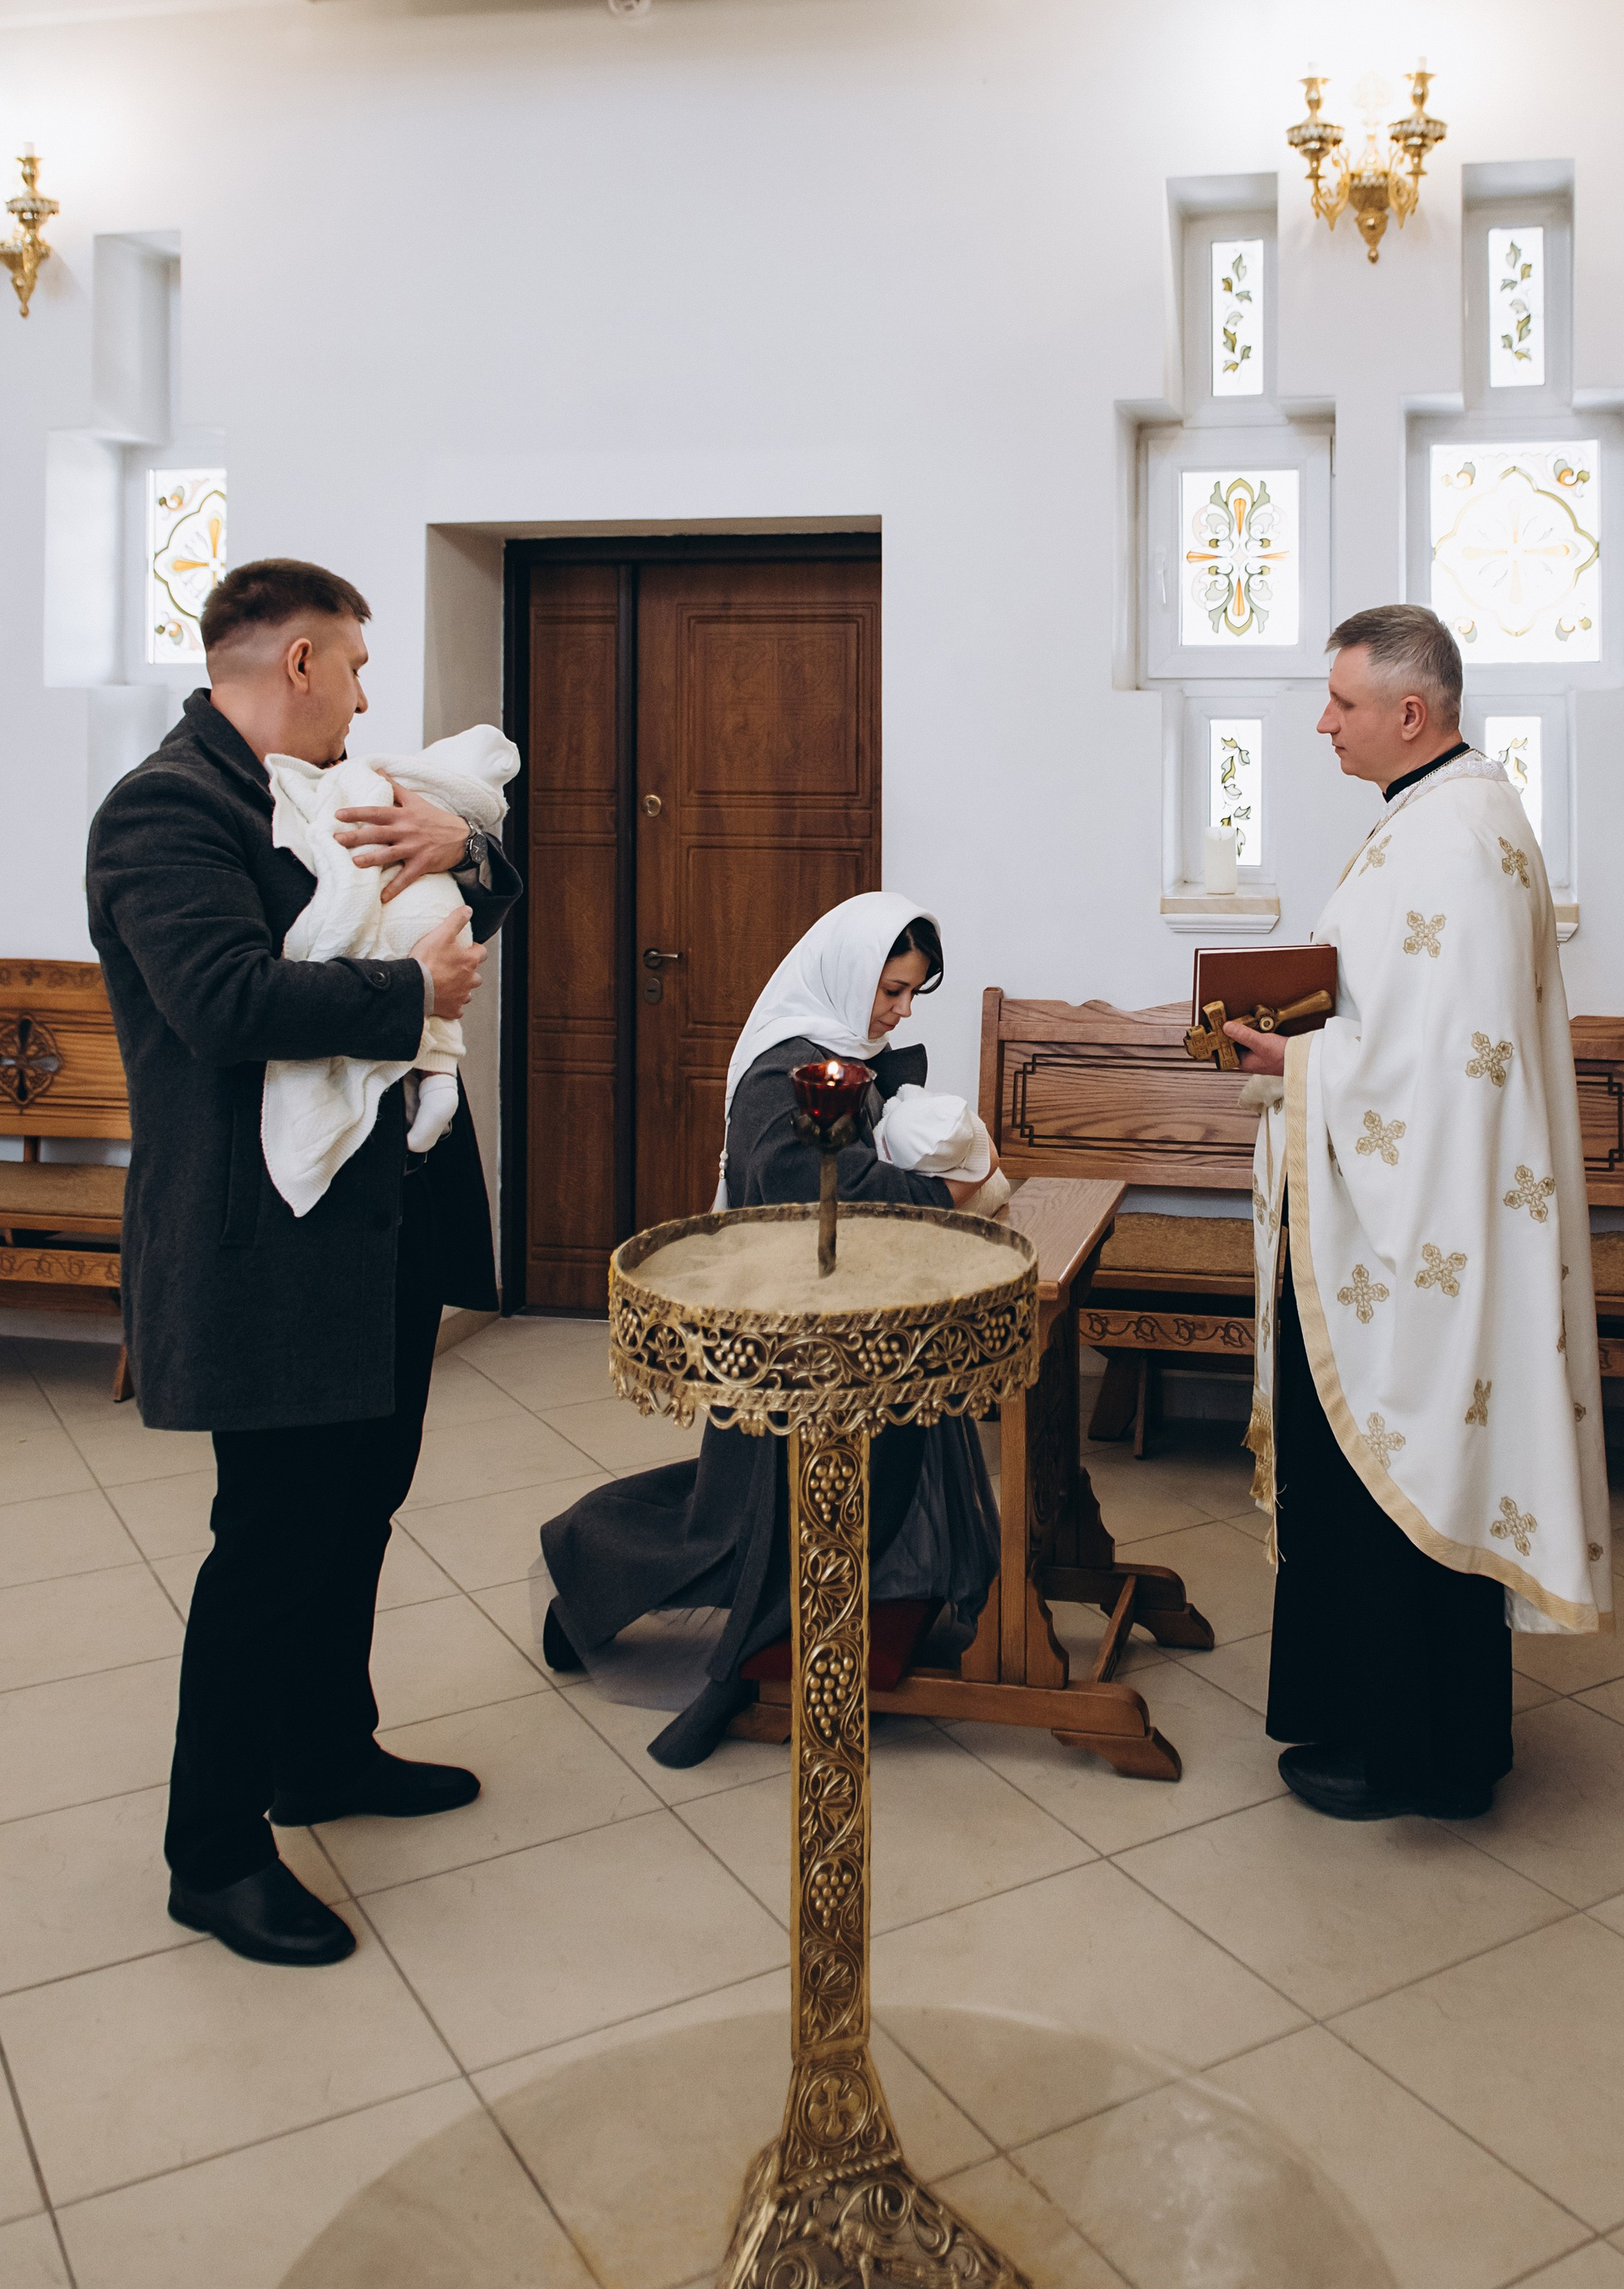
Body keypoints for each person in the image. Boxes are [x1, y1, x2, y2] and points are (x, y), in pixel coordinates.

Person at [85, 558, 522, 1967]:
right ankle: (211, 1852)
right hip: (263, 1244)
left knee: (362, 1502)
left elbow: (475, 881)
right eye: (357, 667)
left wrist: (468, 856)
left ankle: (327, 1750)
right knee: (270, 1538)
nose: (370, 695)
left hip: (375, 1227)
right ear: (298, 663)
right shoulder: (169, 809)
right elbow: (219, 1002)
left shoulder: (339, 795)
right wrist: (413, 993)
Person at [1229, 602, 1610, 1823]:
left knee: (1383, 1458)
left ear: (1410, 712)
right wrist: (1304, 1033)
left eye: (1342, 704)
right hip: (1427, 1206)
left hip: (1407, 1234)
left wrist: (1281, 1061)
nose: (1324, 724)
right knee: (1399, 1460)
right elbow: (1409, 1026)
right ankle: (1436, 1742)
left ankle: (1400, 1751)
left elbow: (1432, 1065)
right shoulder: (1455, 812)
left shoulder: (1449, 836)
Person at [541, 891, 1004, 1768]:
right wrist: (947, 1195)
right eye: (891, 990)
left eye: (911, 995)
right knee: (743, 1519)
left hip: (848, 1321)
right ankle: (588, 1586)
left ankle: (878, 1599)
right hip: (786, 1333)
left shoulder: (852, 1049)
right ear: (846, 974)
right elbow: (818, 1196)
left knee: (851, 1478)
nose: (900, 1011)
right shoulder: (782, 1072)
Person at [262, 721, 520, 1205]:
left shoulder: (347, 769)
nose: (362, 703)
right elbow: (235, 999)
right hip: (308, 1191)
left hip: (412, 1155)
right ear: (300, 664)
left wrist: (468, 845)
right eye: (355, 671)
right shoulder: (181, 798)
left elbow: (470, 918)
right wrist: (417, 984)